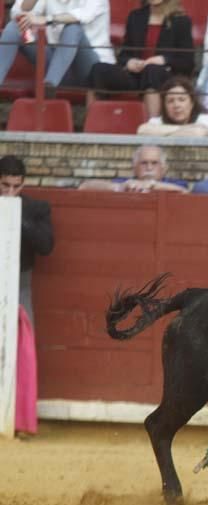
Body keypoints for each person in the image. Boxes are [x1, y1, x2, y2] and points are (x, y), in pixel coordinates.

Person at [0, 155, 53, 438]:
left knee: (22, 351)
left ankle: (20, 421)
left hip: (19, 285)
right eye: (4, 186)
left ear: (23, 184)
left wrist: (15, 216)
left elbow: (46, 246)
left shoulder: (35, 209)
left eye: (15, 187)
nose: (10, 192)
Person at [88, 0, 195, 119]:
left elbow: (187, 62)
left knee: (152, 70)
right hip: (136, 74)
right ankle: (92, 125)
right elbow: (124, 55)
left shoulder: (181, 20)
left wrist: (164, 60)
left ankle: (152, 126)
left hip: (163, 76)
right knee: (98, 69)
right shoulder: (135, 16)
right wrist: (129, 62)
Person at [0, 0, 113, 96]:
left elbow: (84, 15)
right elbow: (17, 13)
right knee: (16, 27)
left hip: (92, 70)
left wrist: (46, 19)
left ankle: (49, 86)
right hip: (58, 65)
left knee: (73, 28)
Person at [78, 145, 188, 192]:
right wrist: (118, 187)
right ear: (135, 168)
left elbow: (184, 192)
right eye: (144, 163)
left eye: (154, 163)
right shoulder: (127, 183)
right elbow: (84, 186)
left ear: (164, 169)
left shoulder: (176, 183)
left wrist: (152, 185)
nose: (149, 168)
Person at [137, 76, 208, 137]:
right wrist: (182, 130)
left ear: (192, 103)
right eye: (170, 101)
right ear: (164, 105)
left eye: (181, 100)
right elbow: (142, 130)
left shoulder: (205, 118)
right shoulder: (157, 121)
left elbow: (198, 133)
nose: (176, 105)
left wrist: (162, 132)